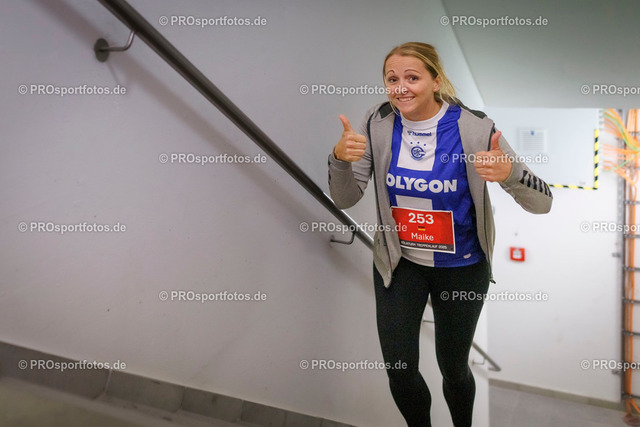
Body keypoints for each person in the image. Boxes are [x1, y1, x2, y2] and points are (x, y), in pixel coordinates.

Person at [327, 42, 552, 427]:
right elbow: (346, 198)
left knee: (454, 367)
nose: (400, 87)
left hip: (461, 269)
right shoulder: (376, 122)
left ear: (436, 80)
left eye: (412, 77)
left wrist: (510, 174)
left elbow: (543, 202)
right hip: (400, 266)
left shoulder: (476, 128)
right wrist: (339, 159)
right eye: (392, 79)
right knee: (399, 370)